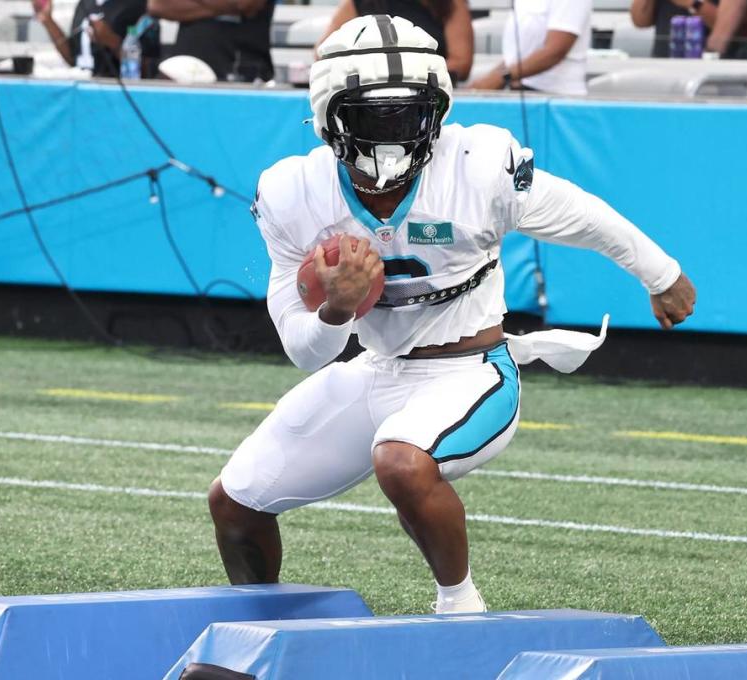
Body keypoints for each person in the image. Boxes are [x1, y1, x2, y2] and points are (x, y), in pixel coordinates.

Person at [207, 14, 696, 612]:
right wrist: (336, 306)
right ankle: (258, 636)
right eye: (371, 116)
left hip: (471, 369)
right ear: (327, 117)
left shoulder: (476, 163)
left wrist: (660, 272)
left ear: (437, 112)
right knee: (234, 501)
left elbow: (581, 214)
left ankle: (460, 607)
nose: (391, 135)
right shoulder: (292, 192)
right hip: (375, 370)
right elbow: (306, 352)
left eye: (408, 114)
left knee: (402, 461)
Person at [315, 0, 474, 83]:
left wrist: (406, 72)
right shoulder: (358, 3)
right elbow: (323, 52)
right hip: (365, 92)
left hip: (428, 91)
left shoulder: (450, 4)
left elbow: (461, 62)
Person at [469, 0, 591, 94]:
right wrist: (485, 82)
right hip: (521, 94)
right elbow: (517, 57)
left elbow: (555, 51)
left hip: (558, 99)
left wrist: (501, 77)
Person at [148, 0, 274, 82]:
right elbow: (157, 5)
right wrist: (229, 7)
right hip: (185, 71)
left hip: (241, 75)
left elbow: (245, 3)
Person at [33, 0, 159, 77]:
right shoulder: (85, 3)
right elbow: (73, 57)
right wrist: (47, 20)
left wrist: (112, 41)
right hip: (79, 89)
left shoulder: (138, 6)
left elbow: (146, 69)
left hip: (114, 92)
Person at [629, 0, 747, 58]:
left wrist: (693, 4)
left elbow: (735, 29)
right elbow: (640, 21)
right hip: (664, 61)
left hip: (713, 65)